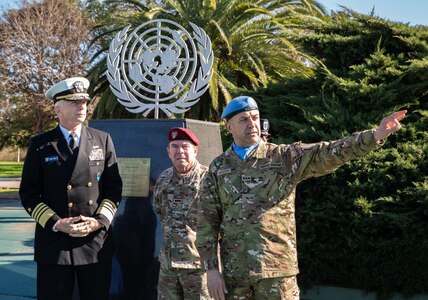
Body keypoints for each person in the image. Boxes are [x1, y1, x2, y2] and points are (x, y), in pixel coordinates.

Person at [195, 95, 407, 300]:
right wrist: (212, 269)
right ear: (229, 127)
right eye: (244, 119)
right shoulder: (218, 168)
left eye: (255, 117)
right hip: (236, 275)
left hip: (277, 271)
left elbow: (328, 152)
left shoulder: (285, 157)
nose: (252, 123)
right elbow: (206, 220)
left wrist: (375, 135)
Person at [19, 77, 123, 300]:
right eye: (74, 103)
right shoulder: (40, 145)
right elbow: (28, 193)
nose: (82, 107)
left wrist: (99, 221)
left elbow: (113, 188)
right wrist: (56, 223)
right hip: (55, 245)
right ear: (58, 109)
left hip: (93, 242)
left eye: (84, 102)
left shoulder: (102, 140)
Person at [153, 127, 210, 300]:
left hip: (199, 266)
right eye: (175, 146)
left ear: (195, 150)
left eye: (185, 146)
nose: (180, 151)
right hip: (169, 266)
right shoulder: (163, 179)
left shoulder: (208, 179)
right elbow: (159, 210)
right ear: (168, 152)